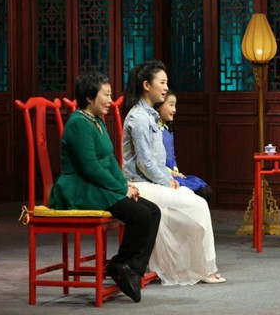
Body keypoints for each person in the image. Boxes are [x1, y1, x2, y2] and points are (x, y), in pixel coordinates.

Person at [48, 72, 161, 302]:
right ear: (90, 97)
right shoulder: (78, 123)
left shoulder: (97, 120)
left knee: (152, 211)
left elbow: (109, 159)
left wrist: (123, 183)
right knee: (140, 214)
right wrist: (121, 190)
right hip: (80, 187)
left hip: (97, 184)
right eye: (106, 95)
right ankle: (121, 265)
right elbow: (90, 168)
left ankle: (130, 268)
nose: (111, 100)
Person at [121, 60, 226, 285]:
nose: (166, 87)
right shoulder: (139, 117)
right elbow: (145, 163)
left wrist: (170, 177)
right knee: (197, 205)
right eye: (162, 82)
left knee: (191, 197)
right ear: (147, 85)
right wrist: (166, 181)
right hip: (139, 185)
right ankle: (201, 269)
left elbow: (157, 161)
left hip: (153, 182)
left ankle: (197, 266)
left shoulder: (150, 115)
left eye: (166, 82)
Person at [154, 90, 213, 204]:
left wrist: (176, 172)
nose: (174, 110)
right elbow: (154, 161)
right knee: (202, 192)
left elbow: (172, 156)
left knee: (205, 188)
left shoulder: (167, 130)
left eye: (175, 105)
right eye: (171, 105)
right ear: (159, 106)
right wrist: (172, 173)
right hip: (164, 176)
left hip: (174, 175)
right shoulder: (154, 130)